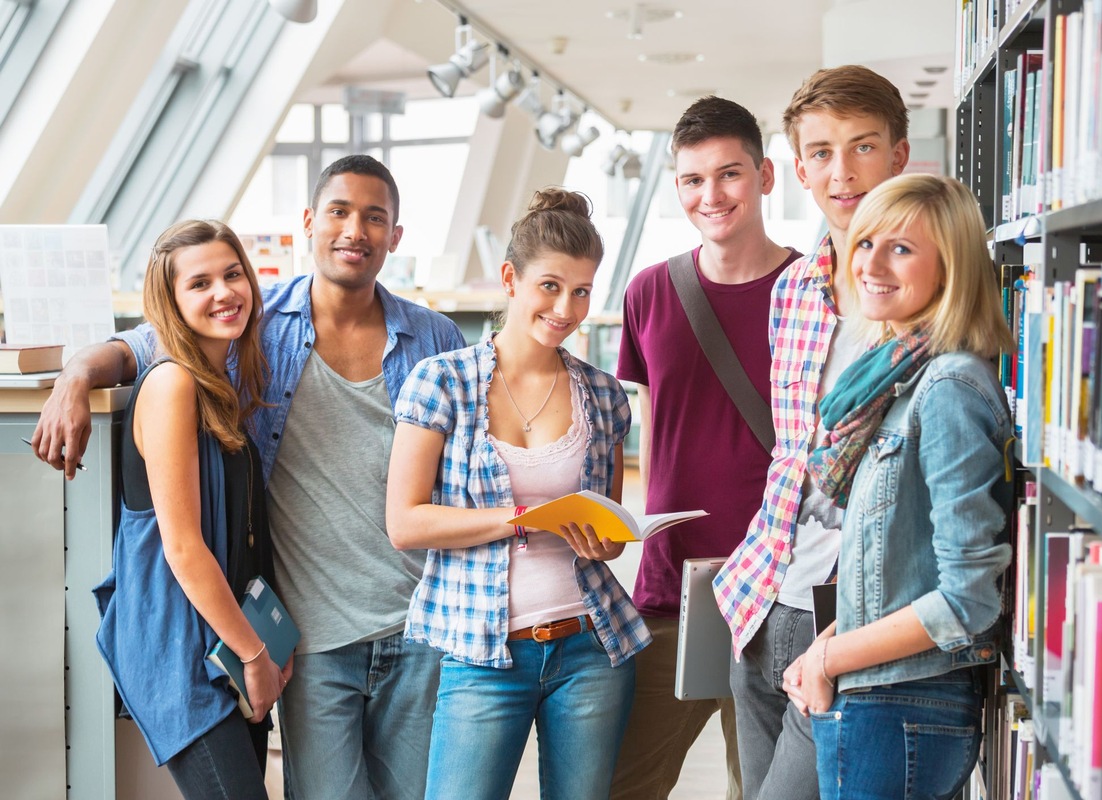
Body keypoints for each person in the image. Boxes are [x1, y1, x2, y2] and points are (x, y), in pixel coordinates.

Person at [31, 155, 465, 799]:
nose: (356, 230)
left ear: (395, 236)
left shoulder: (435, 339)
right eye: (340, 212)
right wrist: (73, 376)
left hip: (420, 627)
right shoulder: (255, 328)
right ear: (310, 222)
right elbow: (145, 345)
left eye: (376, 218)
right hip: (310, 635)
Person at [387, 188, 649, 800]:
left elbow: (604, 529)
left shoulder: (605, 395)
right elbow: (405, 522)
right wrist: (522, 518)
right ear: (510, 278)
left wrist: (606, 542)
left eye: (582, 291)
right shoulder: (442, 382)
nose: (567, 308)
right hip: (482, 656)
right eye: (551, 286)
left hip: (592, 648)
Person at [712, 65, 910, 800]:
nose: (842, 171)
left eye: (862, 147)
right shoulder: (791, 287)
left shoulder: (932, 291)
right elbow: (790, 452)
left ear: (898, 155)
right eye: (822, 153)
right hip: (765, 600)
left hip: (856, 617)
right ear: (798, 169)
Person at [786, 173, 1015, 798]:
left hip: (901, 705)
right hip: (880, 698)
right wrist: (821, 651)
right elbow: (892, 573)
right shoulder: (894, 384)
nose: (872, 264)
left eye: (902, 249)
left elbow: (966, 602)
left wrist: (828, 659)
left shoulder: (947, 388)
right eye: (865, 244)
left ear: (950, 268)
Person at [613, 95, 803, 800]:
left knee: (757, 788)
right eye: (693, 180)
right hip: (672, 588)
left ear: (765, 176)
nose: (711, 195)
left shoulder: (814, 290)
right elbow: (651, 426)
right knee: (621, 782)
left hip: (781, 592)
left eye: (729, 174)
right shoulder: (649, 293)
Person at [92, 220, 288, 799]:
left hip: (226, 637)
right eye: (199, 283)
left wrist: (271, 641)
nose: (224, 293)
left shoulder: (221, 385)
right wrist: (255, 654)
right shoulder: (173, 384)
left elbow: (247, 530)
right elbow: (181, 544)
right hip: (182, 648)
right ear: (171, 303)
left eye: (232, 275)